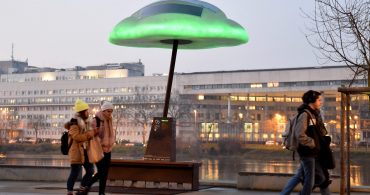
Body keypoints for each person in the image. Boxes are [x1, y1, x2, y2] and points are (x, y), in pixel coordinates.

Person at [280, 90, 331, 195]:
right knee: (309, 181)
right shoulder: (305, 115)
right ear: (311, 101)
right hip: (307, 152)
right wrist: (313, 143)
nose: (320, 102)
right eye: (318, 100)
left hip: (313, 152)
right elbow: (300, 135)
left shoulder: (313, 114)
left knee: (309, 177)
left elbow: (318, 132)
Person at [65, 99, 97, 195]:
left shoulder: (86, 122)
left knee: (90, 170)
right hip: (77, 151)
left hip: (85, 150)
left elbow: (88, 135)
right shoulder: (74, 123)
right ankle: (69, 191)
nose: (88, 112)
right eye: (86, 110)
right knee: (75, 172)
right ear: (82, 112)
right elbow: (77, 137)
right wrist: (90, 134)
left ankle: (82, 189)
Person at [85, 100, 115, 195]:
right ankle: (87, 185)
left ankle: (101, 193)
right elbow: (90, 134)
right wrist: (96, 136)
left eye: (111, 111)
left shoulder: (109, 120)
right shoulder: (96, 120)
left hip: (108, 150)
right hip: (99, 149)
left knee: (105, 173)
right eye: (108, 111)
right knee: (101, 171)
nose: (110, 113)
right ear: (103, 110)